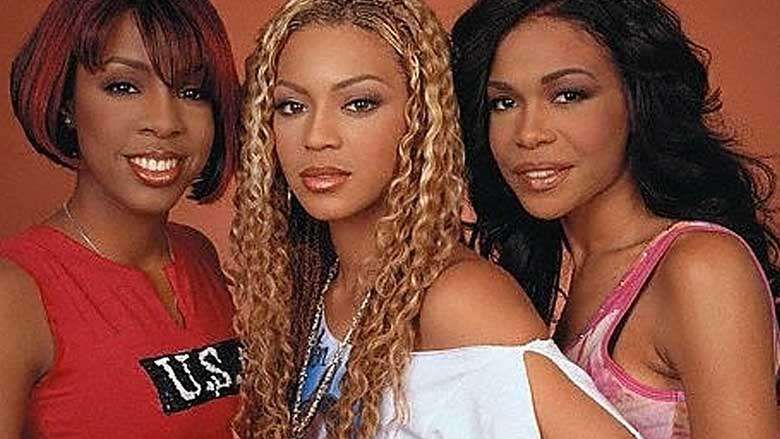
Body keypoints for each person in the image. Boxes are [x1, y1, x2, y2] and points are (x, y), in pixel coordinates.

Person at [232, 0, 644, 438]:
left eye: (359, 103)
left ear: (422, 118)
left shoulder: (458, 300)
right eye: (291, 106)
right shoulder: (314, 284)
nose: (317, 137)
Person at [451, 0, 780, 437]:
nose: (528, 134)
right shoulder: (559, 270)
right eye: (504, 102)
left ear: (636, 100)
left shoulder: (701, 268)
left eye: (568, 95)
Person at [0, 0, 242, 437]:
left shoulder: (199, 256)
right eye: (124, 86)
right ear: (67, 102)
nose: (165, 122)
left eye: (192, 92)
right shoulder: (14, 295)